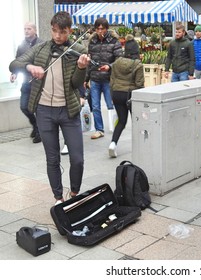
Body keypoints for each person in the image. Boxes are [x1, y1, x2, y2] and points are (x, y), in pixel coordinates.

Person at [9, 11, 90, 205]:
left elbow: (77, 83)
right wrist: (30, 68)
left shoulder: (77, 49)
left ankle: (74, 194)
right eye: (54, 31)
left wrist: (81, 68)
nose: (58, 36)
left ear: (69, 31)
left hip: (68, 110)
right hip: (44, 111)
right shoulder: (41, 49)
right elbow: (15, 64)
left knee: (77, 158)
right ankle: (58, 198)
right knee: (52, 158)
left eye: (62, 32)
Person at [85, 18, 122, 139]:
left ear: (106, 28)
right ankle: (99, 129)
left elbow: (119, 59)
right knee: (95, 106)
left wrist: (109, 66)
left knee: (110, 104)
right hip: (95, 78)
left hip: (108, 78)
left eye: (102, 28)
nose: (100, 31)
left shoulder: (114, 41)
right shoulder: (92, 41)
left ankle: (115, 125)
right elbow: (89, 62)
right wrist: (86, 79)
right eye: (98, 28)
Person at [108, 34, 144, 158]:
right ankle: (140, 146)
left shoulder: (117, 62)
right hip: (130, 95)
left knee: (121, 121)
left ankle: (113, 143)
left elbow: (112, 81)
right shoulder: (138, 64)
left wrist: (113, 93)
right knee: (138, 121)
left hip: (117, 94)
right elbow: (139, 84)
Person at [10, 22, 43, 143]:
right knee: (24, 106)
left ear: (35, 30)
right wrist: (14, 73)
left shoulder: (42, 44)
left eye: (29, 29)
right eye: (24, 29)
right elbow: (17, 62)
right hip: (26, 81)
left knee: (38, 108)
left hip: (38, 82)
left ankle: (40, 131)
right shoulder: (21, 45)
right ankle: (35, 125)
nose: (26, 31)